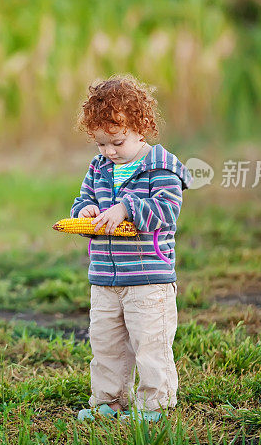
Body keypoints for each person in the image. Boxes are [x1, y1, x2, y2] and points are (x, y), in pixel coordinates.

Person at [70, 74, 192, 424]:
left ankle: (155, 406)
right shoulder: (99, 168)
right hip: (105, 278)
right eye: (101, 144)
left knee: (150, 344)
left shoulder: (161, 167)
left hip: (148, 278)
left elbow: (166, 211)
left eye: (117, 142)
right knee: (106, 345)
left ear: (141, 128)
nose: (109, 152)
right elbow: (83, 200)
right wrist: (86, 213)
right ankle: (109, 401)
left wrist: (127, 207)